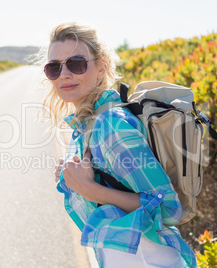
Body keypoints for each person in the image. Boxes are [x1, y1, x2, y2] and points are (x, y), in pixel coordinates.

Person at [41, 22, 197, 268]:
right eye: (54, 68)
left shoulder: (110, 125)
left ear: (101, 68)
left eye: (76, 63)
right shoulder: (88, 124)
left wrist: (89, 189)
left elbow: (169, 208)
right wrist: (73, 179)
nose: (64, 75)